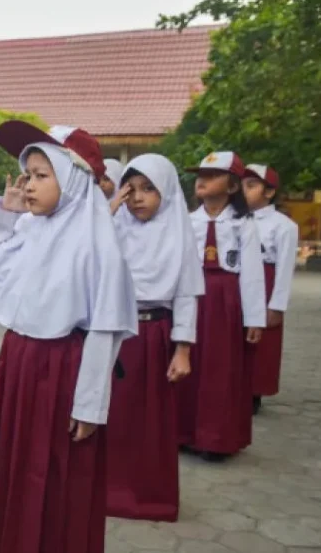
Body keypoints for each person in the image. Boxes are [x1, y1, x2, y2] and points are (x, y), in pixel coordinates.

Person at [0, 120, 137, 553]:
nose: (29, 186)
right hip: (17, 362)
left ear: (74, 181)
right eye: (28, 175)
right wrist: (5, 212)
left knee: (54, 472)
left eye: (42, 176)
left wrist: (90, 405)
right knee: (11, 463)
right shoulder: (27, 229)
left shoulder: (98, 245)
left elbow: (105, 328)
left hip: (63, 371)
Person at [106, 153, 204, 522]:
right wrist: (109, 211)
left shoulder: (179, 233)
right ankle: (105, 490)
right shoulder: (113, 228)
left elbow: (187, 294)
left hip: (154, 334)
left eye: (149, 188)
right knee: (111, 414)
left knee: (150, 420)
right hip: (114, 331)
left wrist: (183, 349)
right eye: (130, 189)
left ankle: (148, 497)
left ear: (167, 191)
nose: (138, 198)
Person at [179, 151, 266, 462]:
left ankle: (215, 438)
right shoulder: (188, 221)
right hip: (192, 295)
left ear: (232, 186)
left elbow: (252, 271)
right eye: (200, 175)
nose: (202, 180)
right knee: (189, 363)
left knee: (220, 368)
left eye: (212, 175)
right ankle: (185, 433)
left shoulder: (243, 223)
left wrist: (254, 317)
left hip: (225, 299)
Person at [241, 164, 298, 413]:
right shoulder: (235, 219)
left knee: (261, 343)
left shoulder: (283, 226)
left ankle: (254, 392)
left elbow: (285, 269)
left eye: (251, 186)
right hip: (240, 281)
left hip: (266, 280)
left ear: (269, 192)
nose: (244, 190)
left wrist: (276, 305)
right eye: (241, 185)